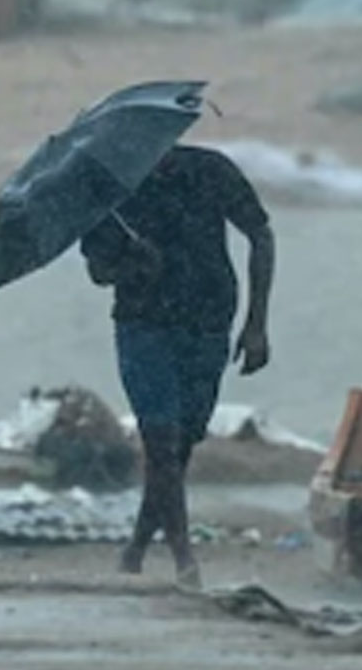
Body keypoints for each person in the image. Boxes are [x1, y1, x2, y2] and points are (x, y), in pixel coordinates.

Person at [79, 143, 274, 587]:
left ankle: (135, 549)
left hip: (208, 322)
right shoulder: (108, 192)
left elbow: (260, 234)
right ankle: (185, 560)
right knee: (161, 443)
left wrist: (257, 323)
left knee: (180, 448)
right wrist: (132, 264)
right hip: (142, 326)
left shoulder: (210, 170)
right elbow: (98, 270)